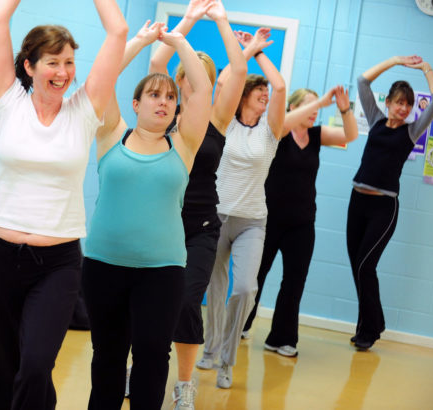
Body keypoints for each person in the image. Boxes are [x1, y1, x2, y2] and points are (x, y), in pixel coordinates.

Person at [0, 0, 127, 409]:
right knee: (4, 366)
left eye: (69, 63)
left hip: (56, 263)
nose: (63, 73)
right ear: (29, 66)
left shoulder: (85, 109)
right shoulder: (7, 102)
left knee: (37, 363)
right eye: (53, 63)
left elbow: (118, 33)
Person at [81, 24, 213, 410]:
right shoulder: (111, 135)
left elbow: (203, 89)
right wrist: (137, 41)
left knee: (153, 357)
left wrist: (179, 42)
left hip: (162, 271)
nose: (163, 102)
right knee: (107, 357)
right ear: (135, 104)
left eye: (170, 97)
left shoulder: (184, 144)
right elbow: (102, 78)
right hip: (104, 266)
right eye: (153, 95)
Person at [147, 0, 247, 407]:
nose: (193, 83)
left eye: (203, 78)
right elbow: (156, 60)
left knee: (188, 302)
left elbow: (238, 72)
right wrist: (185, 21)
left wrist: (221, 19)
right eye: (186, 75)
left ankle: (184, 385)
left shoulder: (217, 118)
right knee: (149, 305)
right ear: (178, 76)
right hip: (157, 222)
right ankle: (143, 367)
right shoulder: (161, 110)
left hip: (200, 226)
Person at [197, 27, 286, 389]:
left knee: (245, 288)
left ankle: (228, 360)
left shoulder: (270, 130)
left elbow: (280, 88)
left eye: (265, 92)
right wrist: (244, 49)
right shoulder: (223, 123)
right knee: (215, 289)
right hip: (216, 216)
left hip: (252, 220)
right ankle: (210, 347)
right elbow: (225, 77)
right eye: (258, 90)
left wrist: (260, 52)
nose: (266, 95)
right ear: (244, 95)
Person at [242, 86, 358, 356]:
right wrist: (319, 100)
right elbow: (282, 122)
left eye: (317, 107)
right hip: (268, 219)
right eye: (309, 105)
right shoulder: (278, 131)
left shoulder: (317, 135)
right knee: (255, 276)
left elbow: (350, 135)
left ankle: (281, 338)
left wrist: (343, 108)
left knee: (294, 281)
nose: (315, 111)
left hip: (302, 224)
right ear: (293, 107)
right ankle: (241, 324)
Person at [347, 55, 433, 350]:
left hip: (384, 208)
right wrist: (396, 61)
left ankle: (371, 328)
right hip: (357, 202)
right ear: (387, 102)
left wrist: (425, 67)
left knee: (365, 267)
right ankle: (369, 326)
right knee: (357, 268)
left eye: (408, 104)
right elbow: (363, 81)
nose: (403, 108)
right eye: (398, 102)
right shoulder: (375, 119)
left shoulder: (411, 131)